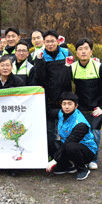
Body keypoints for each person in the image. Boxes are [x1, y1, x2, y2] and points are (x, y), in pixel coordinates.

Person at [60, 37, 102, 170]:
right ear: (76, 53)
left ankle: (93, 158)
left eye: (86, 49)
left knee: (95, 132)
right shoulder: (73, 67)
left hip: (96, 108)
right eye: (80, 49)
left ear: (91, 51)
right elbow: (64, 86)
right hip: (80, 108)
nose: (83, 52)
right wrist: (66, 67)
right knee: (78, 133)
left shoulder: (99, 67)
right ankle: (77, 158)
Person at [33, 29, 72, 158]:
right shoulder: (40, 55)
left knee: (66, 130)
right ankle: (54, 156)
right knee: (50, 131)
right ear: (44, 42)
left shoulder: (66, 53)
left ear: (58, 41)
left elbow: (71, 75)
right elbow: (39, 78)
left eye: (52, 41)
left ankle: (67, 155)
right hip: (48, 99)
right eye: (47, 42)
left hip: (65, 98)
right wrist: (39, 60)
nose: (50, 44)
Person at [46, 92, 97, 181]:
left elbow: (69, 142)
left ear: (76, 106)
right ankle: (66, 166)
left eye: (70, 104)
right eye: (64, 104)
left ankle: (82, 169)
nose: (66, 107)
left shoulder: (80, 123)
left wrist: (54, 161)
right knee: (52, 142)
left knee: (70, 146)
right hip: (68, 145)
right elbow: (48, 112)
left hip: (86, 151)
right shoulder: (61, 113)